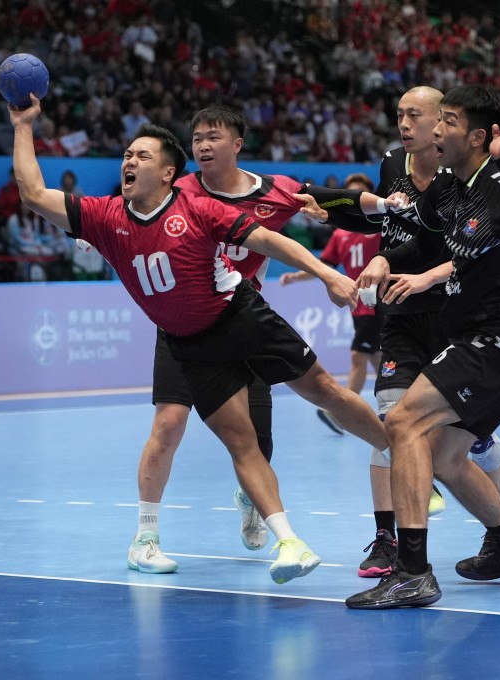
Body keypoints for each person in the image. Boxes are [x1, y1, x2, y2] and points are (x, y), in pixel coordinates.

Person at [11, 95, 392, 583]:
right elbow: (33, 193)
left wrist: (326, 274)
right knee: (230, 439)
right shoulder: (105, 217)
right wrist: (24, 126)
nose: (129, 161)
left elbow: (270, 240)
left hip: (240, 315)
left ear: (169, 174)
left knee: (321, 391)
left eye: (142, 156)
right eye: (126, 155)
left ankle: (404, 453)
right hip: (188, 342)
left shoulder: (197, 207)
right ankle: (283, 544)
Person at [122, 105, 401, 574]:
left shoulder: (274, 191)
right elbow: (133, 209)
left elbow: (336, 202)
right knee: (168, 424)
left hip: (241, 317)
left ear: (237, 144)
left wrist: (385, 205)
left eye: (214, 137)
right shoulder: (181, 189)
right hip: (182, 322)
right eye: (197, 139)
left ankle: (252, 498)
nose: (204, 146)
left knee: (258, 439)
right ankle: (145, 537)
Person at [346, 87, 500, 609]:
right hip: (477, 330)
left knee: (403, 423)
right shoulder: (446, 180)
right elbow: (420, 233)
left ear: (479, 137)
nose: (435, 131)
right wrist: (381, 255)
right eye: (434, 120)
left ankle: (413, 572)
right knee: (444, 454)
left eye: (448, 122)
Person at [323, 86, 500, 580]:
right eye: (399, 115)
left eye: (415, 115)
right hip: (403, 315)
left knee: (474, 445)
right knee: (391, 426)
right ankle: (389, 541)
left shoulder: (466, 179)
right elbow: (381, 221)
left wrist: (427, 274)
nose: (404, 124)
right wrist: (364, 245)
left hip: (458, 317)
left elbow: (478, 247)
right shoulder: (391, 164)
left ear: (442, 125)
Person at [279, 173, 383, 436]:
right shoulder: (341, 235)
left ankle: (340, 414)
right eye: (350, 196)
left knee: (359, 355)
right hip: (357, 305)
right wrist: (295, 277)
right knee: (376, 358)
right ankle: (398, 404)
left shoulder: (381, 226)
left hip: (380, 303)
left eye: (360, 194)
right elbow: (323, 266)